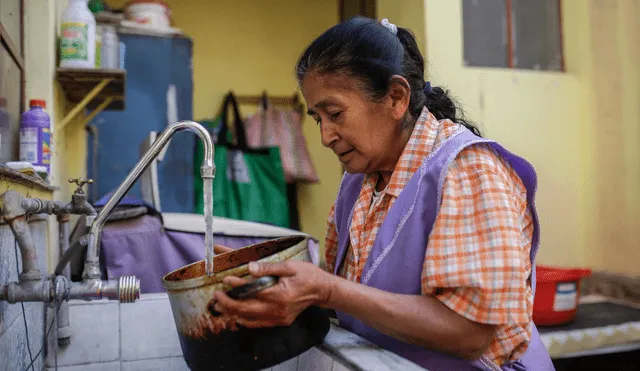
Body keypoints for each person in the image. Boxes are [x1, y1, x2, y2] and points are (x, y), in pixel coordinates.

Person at [212, 17, 554, 370]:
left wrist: (326, 290)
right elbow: (343, 290)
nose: (326, 136)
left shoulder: (466, 170)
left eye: (335, 114)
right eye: (318, 119)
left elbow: (470, 334)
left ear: (396, 97)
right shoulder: (358, 182)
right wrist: (273, 278)